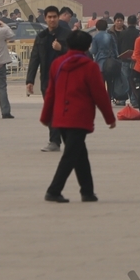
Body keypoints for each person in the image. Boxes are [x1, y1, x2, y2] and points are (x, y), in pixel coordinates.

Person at [40, 28, 116, 202]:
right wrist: (109, 118)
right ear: (87, 46)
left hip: (60, 117)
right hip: (79, 118)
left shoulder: (57, 64)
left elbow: (50, 92)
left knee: (80, 154)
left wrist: (46, 117)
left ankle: (87, 191)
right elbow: (100, 95)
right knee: (71, 155)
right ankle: (54, 190)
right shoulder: (90, 67)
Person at [28, 6, 67, 152]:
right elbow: (34, 59)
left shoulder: (67, 35)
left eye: (54, 17)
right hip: (47, 80)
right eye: (49, 17)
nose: (52, 19)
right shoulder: (41, 37)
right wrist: (29, 80)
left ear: (58, 17)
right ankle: (54, 141)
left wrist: (61, 49)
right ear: (45, 18)